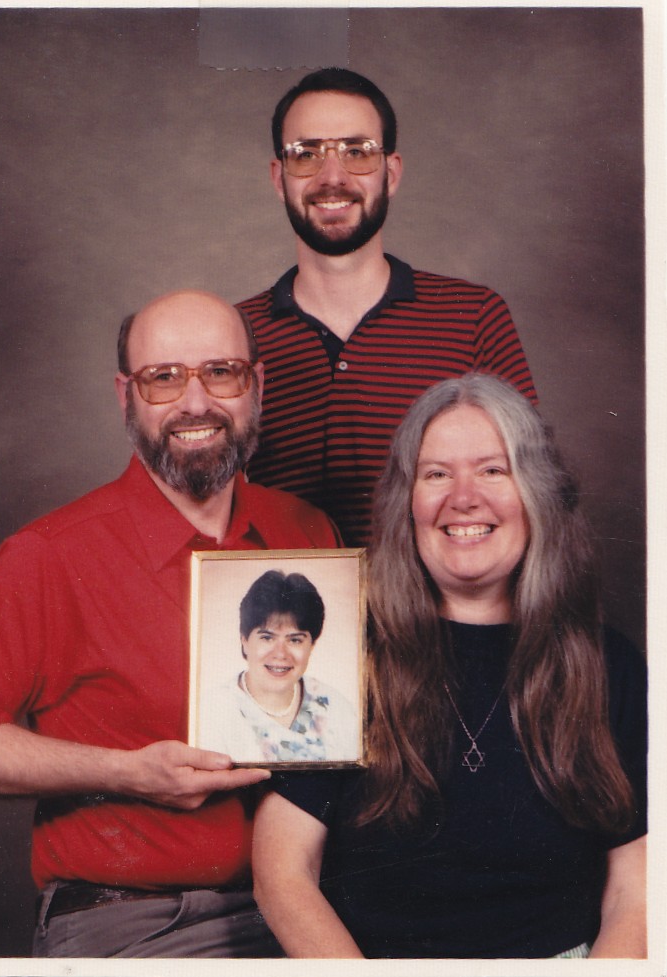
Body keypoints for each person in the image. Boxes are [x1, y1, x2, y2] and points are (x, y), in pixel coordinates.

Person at [0, 289, 340, 958]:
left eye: (221, 372)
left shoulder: (307, 532)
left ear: (255, 386)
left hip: (312, 902)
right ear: (126, 395)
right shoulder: (50, 555)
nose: (195, 402)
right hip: (143, 920)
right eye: (163, 377)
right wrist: (127, 772)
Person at [253, 373, 647, 959]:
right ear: (406, 503)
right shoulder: (342, 656)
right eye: (436, 474)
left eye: (493, 470)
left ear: (537, 493)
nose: (464, 498)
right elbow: (282, 871)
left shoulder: (609, 664)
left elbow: (638, 887)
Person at [238, 68, 537, 547]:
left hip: (436, 597)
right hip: (287, 596)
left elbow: (531, 494)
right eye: (306, 154)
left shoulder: (474, 316)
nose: (332, 177)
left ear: (390, 173)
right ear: (279, 177)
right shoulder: (236, 336)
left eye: (357, 152)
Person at [200, 570, 359, 764]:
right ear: (244, 640)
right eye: (267, 638)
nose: (280, 653)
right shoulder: (211, 711)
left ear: (312, 645)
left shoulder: (337, 709)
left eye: (295, 640)